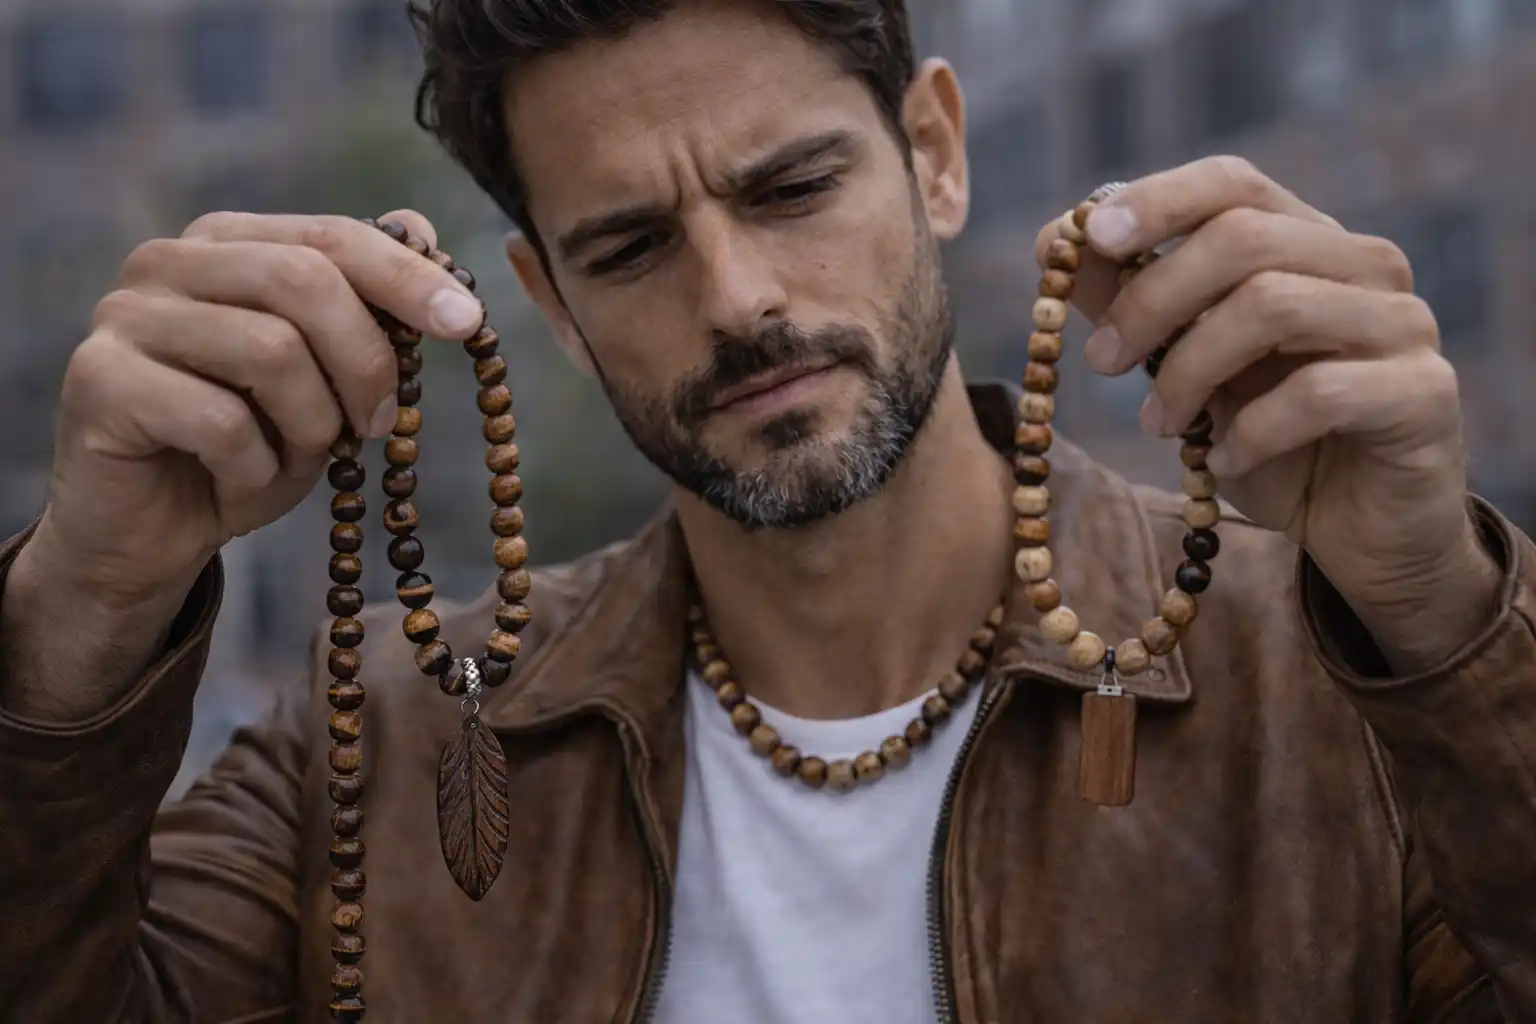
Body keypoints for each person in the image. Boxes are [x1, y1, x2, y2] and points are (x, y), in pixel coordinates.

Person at [1, 0, 1532, 1020]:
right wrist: (82, 608)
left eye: (793, 188)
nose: (738, 302)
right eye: (628, 247)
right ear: (545, 296)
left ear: (933, 153)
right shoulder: (378, 755)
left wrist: (1444, 621)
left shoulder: (1350, 700)